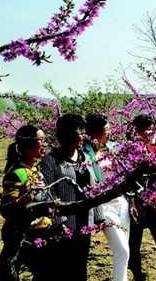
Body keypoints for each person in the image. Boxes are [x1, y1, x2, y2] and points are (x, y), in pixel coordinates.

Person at [38, 114, 105, 281]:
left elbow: (94, 190)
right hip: (63, 226)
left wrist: (99, 216)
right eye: (79, 131)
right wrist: (58, 222)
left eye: (83, 131)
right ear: (67, 134)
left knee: (80, 267)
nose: (83, 135)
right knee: (61, 269)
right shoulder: (51, 161)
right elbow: (48, 193)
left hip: (84, 224)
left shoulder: (86, 158)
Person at [0, 125, 52, 281]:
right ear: (28, 145)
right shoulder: (17, 173)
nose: (45, 144)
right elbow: (6, 209)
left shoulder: (36, 170)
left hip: (42, 233)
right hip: (22, 235)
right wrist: (26, 198)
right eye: (41, 140)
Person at [84, 114, 131, 281]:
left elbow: (127, 176)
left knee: (125, 250)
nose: (110, 132)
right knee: (122, 251)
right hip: (104, 207)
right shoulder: (85, 154)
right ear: (94, 132)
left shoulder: (113, 148)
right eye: (106, 129)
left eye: (110, 128)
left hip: (122, 204)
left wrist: (130, 200)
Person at [128, 114, 156, 281]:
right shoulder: (130, 151)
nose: (148, 132)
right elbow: (126, 179)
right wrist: (132, 200)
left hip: (155, 203)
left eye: (150, 128)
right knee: (134, 245)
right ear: (137, 131)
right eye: (144, 129)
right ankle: (138, 275)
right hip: (136, 204)